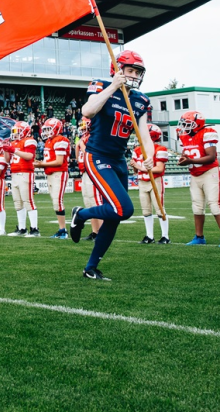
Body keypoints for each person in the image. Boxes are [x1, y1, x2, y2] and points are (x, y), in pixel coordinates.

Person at [68, 51, 155, 281]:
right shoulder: (101, 85)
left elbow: (145, 135)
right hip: (97, 155)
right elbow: (87, 111)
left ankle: (90, 267)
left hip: (119, 160)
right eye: (130, 70)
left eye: (138, 72)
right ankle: (82, 214)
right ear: (117, 69)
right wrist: (113, 86)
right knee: (123, 209)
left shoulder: (141, 100)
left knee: (115, 217)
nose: (134, 75)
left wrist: (151, 155)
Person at [177, 111, 220, 247]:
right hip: (195, 174)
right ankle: (199, 237)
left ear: (197, 124)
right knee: (197, 206)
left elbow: (211, 156)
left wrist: (189, 161)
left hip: (209, 172)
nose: (184, 126)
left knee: (214, 205)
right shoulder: (184, 136)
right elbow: (187, 153)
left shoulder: (207, 133)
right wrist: (185, 158)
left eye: (187, 124)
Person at [130, 124, 171, 244]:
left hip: (155, 181)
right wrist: (134, 167)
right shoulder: (137, 150)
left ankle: (165, 236)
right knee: (146, 210)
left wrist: (139, 167)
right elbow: (136, 170)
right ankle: (149, 236)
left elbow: (159, 169)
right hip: (142, 181)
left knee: (159, 209)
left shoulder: (160, 149)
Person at [34, 118, 71, 239]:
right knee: (55, 202)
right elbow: (50, 159)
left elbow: (59, 162)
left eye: (49, 129)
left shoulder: (60, 140)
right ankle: (61, 229)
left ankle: (63, 230)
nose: (46, 132)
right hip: (51, 174)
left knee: (57, 201)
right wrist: (40, 163)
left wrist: (42, 164)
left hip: (59, 173)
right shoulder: (49, 141)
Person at [7, 122, 39, 237]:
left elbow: (29, 156)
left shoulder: (29, 140)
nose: (15, 134)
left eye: (17, 131)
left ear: (24, 131)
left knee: (28, 201)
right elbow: (7, 160)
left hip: (25, 173)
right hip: (14, 174)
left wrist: (13, 150)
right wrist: (6, 149)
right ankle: (22, 228)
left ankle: (34, 229)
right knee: (17, 202)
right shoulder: (14, 143)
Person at [76, 118, 101, 241]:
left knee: (96, 202)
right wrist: (77, 146)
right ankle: (95, 231)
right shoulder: (84, 137)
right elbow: (78, 157)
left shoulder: (94, 136)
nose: (81, 127)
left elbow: (91, 153)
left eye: (83, 124)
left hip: (94, 170)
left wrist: (81, 145)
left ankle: (102, 231)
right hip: (85, 171)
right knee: (88, 203)